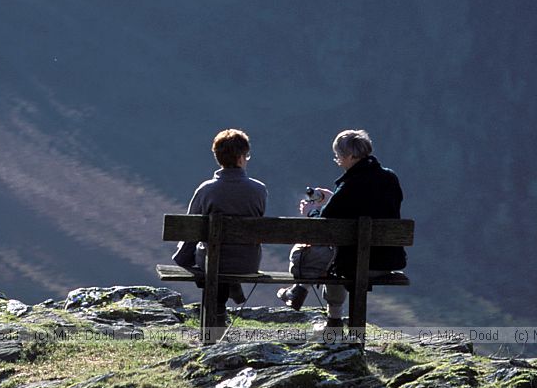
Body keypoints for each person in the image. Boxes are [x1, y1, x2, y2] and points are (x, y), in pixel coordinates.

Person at [278, 129, 405, 329]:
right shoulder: (390, 178)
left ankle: (331, 319)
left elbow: (325, 226)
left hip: (354, 263)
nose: (337, 160)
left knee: (325, 255)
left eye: (338, 156)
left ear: (349, 156)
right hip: (385, 260)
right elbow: (362, 207)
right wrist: (333, 198)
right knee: (337, 256)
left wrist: (311, 211)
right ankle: (303, 294)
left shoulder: (350, 184)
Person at [172, 129, 267, 328]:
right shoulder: (259, 190)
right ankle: (227, 300)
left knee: (211, 258)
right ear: (241, 157)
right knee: (227, 256)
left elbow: (191, 231)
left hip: (212, 262)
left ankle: (216, 316)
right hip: (247, 262)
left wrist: (182, 259)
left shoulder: (206, 190)